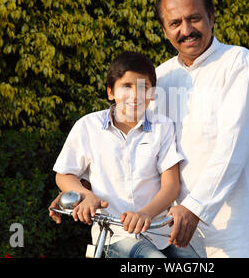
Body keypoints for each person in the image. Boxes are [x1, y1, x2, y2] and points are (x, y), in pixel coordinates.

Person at [152, 0, 249, 258]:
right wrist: (87, 185)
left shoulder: (237, 62)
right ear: (164, 31)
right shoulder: (160, 78)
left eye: (194, 18)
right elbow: (142, 145)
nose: (186, 30)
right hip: (179, 228)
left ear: (211, 18)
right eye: (175, 23)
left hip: (239, 227)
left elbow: (233, 143)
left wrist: (196, 206)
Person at [49, 51, 199, 258]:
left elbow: (171, 185)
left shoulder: (162, 126)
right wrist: (87, 196)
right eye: (126, 86)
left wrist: (145, 214)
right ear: (111, 92)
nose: (135, 95)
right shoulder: (87, 126)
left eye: (143, 87)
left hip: (159, 231)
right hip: (116, 235)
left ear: (153, 94)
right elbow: (64, 174)